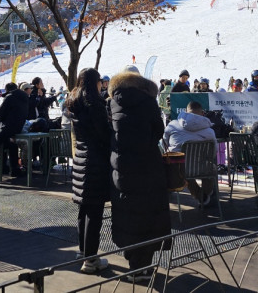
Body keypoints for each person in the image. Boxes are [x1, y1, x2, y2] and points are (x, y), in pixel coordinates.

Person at [108, 68, 171, 282]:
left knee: (127, 211)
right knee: (148, 213)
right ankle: (142, 266)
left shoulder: (113, 102)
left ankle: (133, 262)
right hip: (147, 164)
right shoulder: (148, 102)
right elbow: (158, 130)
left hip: (121, 165)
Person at [63, 68, 111, 274]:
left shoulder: (75, 102)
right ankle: (91, 260)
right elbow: (104, 134)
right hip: (95, 162)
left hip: (81, 158)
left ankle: (83, 251)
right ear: (95, 82)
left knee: (84, 209)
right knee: (94, 212)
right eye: (100, 80)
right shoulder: (95, 104)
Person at [163, 100, 217, 207]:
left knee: (185, 170)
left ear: (186, 112)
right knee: (212, 168)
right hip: (201, 167)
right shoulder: (210, 132)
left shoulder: (172, 125)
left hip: (177, 169)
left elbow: (164, 144)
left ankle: (200, 196)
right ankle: (205, 195)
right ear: (202, 113)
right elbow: (213, 153)